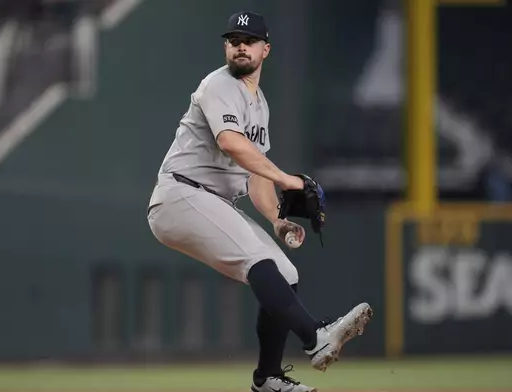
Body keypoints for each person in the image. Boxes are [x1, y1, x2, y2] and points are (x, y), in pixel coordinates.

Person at [147, 11, 372, 392]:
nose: (240, 46)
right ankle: (315, 337)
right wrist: (288, 179)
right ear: (226, 47)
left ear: (265, 49)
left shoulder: (259, 105)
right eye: (233, 39)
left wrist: (276, 219)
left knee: (285, 274)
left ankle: (267, 379)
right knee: (259, 261)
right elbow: (231, 144)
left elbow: (253, 176)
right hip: (181, 195)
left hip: (211, 201)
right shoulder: (218, 85)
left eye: (248, 40)